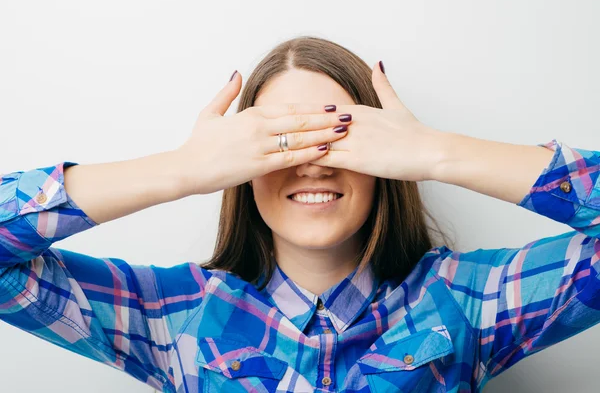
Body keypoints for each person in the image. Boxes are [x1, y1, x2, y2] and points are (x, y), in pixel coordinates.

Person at [0, 36, 598, 393]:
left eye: (336, 134)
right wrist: (178, 171)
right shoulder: (173, 314)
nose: (311, 163)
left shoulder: (468, 301)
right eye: (279, 140)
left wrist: (440, 153)